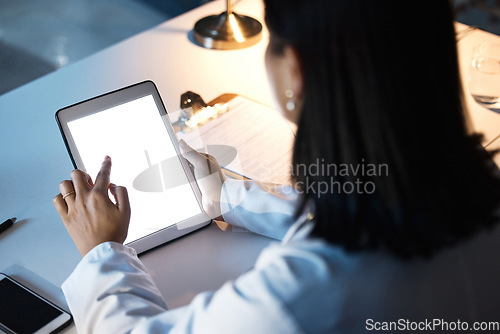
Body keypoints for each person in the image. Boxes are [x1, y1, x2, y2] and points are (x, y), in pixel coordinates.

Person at [53, 0, 500, 333]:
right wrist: (224, 194)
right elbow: (359, 209)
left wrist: (101, 253)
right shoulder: (475, 191)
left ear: (296, 70)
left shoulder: (306, 293)